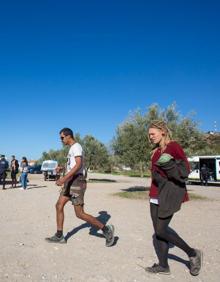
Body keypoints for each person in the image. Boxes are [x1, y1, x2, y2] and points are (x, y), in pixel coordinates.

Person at [146, 120, 202, 276]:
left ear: (162, 131)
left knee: (161, 230)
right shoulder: (156, 151)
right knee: (158, 232)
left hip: (168, 194)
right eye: (149, 134)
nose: (150, 137)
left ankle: (192, 253)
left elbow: (184, 171)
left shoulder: (173, 147)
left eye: (153, 134)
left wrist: (169, 163)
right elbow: (155, 175)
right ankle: (163, 266)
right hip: (154, 195)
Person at [45, 128, 115, 247]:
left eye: (62, 137)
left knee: (80, 214)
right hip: (70, 182)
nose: (61, 140)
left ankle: (106, 229)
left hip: (76, 182)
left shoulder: (76, 147)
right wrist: (62, 168)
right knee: (59, 205)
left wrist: (64, 178)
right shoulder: (72, 149)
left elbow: (79, 165)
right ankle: (59, 235)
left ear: (68, 136)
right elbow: (73, 165)